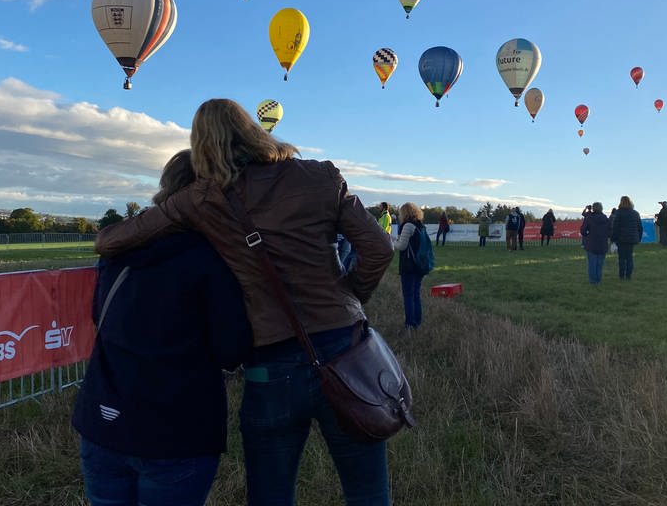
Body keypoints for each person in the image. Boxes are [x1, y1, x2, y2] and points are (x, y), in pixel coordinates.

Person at [95, 99, 395, 506]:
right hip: (347, 352)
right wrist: (348, 298)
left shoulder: (202, 198)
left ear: (201, 145)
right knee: (367, 491)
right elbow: (378, 247)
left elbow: (109, 241)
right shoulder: (320, 176)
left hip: (270, 364)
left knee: (270, 494)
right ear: (254, 130)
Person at [73, 150, 253, 506]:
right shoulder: (212, 258)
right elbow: (232, 349)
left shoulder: (117, 248)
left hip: (102, 421)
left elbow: (101, 317)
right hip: (175, 432)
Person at [393, 202, 427, 330]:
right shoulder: (419, 225)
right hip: (419, 265)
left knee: (408, 296)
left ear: (404, 213)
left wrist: (391, 241)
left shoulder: (407, 225)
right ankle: (417, 322)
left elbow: (401, 246)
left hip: (409, 266)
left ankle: (409, 324)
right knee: (416, 294)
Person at [610, 195, 642, 280]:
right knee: (629, 257)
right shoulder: (635, 213)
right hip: (632, 239)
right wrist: (639, 238)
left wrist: (613, 239)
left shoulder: (619, 213)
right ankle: (628, 276)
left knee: (622, 258)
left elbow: (615, 227)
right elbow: (640, 227)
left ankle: (621, 275)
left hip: (621, 239)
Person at [580, 203, 610, 284]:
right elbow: (610, 232)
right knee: (599, 264)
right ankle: (598, 279)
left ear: (593, 208)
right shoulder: (606, 219)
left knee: (592, 263)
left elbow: (583, 230)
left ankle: (593, 281)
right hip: (602, 243)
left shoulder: (589, 218)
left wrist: (587, 235)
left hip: (591, 243)